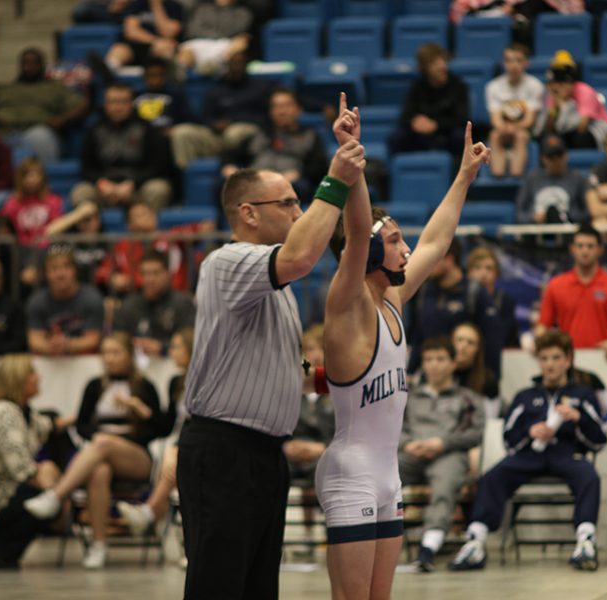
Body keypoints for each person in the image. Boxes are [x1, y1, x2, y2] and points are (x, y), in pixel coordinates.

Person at [175, 92, 366, 599]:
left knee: (258, 587)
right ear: (249, 213)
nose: (299, 210)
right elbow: (304, 256)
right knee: (219, 586)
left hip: (263, 454)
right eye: (287, 203)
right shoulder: (227, 261)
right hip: (223, 450)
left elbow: (292, 369)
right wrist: (337, 178)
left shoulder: (272, 285)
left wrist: (346, 381)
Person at [318, 109, 488, 598]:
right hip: (351, 475)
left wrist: (463, 178)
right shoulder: (346, 305)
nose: (407, 249)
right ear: (370, 255)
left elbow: (437, 241)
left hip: (387, 474)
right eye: (394, 242)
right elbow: (355, 235)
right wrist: (354, 160)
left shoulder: (391, 299)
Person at [449, 330, 607, 572]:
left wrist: (578, 419)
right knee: (493, 475)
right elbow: (509, 440)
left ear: (568, 360)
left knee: (589, 475)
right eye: (544, 358)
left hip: (567, 455)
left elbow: (599, 440)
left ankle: (586, 541)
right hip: (529, 456)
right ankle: (475, 542)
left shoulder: (582, 394)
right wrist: (530, 432)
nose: (550, 365)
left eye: (556, 358)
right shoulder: (525, 396)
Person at [23, 332, 165, 569]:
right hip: (101, 452)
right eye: (105, 353)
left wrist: (138, 411)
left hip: (136, 456)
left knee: (103, 443)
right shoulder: (94, 386)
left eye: (115, 353)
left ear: (129, 355)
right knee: (99, 470)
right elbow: (82, 426)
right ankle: (99, 545)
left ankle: (56, 496)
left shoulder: (144, 386)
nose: (109, 359)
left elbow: (160, 428)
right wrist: (101, 439)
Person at [0, 355, 71, 568]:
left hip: (3, 490)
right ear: (19, 379)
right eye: (32, 374)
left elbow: (48, 426)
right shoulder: (5, 414)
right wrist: (58, 490)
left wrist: (84, 416)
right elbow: (22, 471)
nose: (38, 378)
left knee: (50, 497)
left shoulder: (25, 412)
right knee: (46, 502)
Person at [399, 336, 485, 572]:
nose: (434, 365)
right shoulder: (408, 395)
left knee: (445, 484)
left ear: (453, 363)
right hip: (411, 453)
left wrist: (443, 442)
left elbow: (474, 433)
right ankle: (375, 538)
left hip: (449, 454)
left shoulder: (467, 398)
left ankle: (427, 549)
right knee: (380, 476)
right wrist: (407, 444)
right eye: (428, 359)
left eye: (440, 359)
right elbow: (392, 425)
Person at [117, 328, 194, 547]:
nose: (172, 351)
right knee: (171, 461)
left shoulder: (207, 378)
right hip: (180, 442)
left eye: (177, 347)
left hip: (195, 443)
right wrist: (142, 409)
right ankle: (153, 517)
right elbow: (167, 426)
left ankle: (150, 513)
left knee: (171, 462)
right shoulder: (176, 382)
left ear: (192, 349)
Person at [534, 223, 607, 361]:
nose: (585, 251)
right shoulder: (556, 285)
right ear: (572, 249)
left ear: (600, 250)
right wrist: (539, 344)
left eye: (590, 246)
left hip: (606, 359)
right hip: (568, 361)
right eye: (580, 246)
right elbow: (542, 326)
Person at [407, 237, 504, 377]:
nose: (426, 264)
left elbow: (491, 341)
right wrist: (410, 372)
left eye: (431, 259)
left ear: (449, 259)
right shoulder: (423, 291)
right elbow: (418, 337)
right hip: (429, 378)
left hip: (467, 379)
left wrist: (491, 380)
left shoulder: (474, 292)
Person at [71, 82, 173, 210]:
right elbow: (87, 168)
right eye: (113, 102)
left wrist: (133, 183)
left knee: (158, 189)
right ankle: (89, 230)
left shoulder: (147, 129)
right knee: (81, 192)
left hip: (137, 188)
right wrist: (102, 183)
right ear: (106, 105)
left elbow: (158, 167)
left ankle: (146, 228)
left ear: (131, 104)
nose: (118, 107)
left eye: (123, 102)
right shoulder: (95, 130)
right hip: (104, 188)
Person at [169, 50, 275, 168]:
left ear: (246, 66)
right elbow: (206, 118)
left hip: (247, 134)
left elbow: (266, 117)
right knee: (182, 132)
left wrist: (232, 122)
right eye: (233, 64)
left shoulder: (260, 88)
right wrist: (214, 124)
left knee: (233, 133)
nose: (236, 67)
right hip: (219, 137)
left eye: (239, 63)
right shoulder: (217, 90)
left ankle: (231, 164)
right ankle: (188, 176)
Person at [221, 87, 329, 203]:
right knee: (224, 183)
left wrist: (299, 173)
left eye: (287, 106)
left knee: (302, 186)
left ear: (298, 109)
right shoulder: (259, 135)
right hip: (257, 182)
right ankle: (217, 220)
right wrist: (229, 166)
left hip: (290, 183)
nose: (282, 111)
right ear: (271, 112)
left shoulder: (309, 136)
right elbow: (230, 153)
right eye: (276, 107)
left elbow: (320, 166)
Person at [0, 47, 87, 162]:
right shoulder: (1, 89)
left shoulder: (55, 88)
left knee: (40, 136)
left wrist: (62, 119)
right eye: (25, 63)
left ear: (42, 65)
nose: (29, 67)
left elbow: (82, 106)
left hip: (38, 131)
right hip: (4, 131)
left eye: (34, 63)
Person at [283, 323, 335, 548]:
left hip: (327, 451)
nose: (313, 355)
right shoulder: (293, 386)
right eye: (309, 349)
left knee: (323, 467)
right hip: (294, 450)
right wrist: (286, 445)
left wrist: (323, 448)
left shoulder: (338, 387)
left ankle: (329, 530)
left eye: (318, 348)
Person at [388, 43, 469, 156]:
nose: (442, 66)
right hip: (421, 134)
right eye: (435, 63)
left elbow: (462, 119)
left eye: (443, 61)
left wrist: (436, 125)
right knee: (396, 137)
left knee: (460, 137)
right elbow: (405, 116)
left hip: (447, 132)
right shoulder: (417, 87)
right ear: (425, 68)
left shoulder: (458, 86)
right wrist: (414, 122)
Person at [111, 249, 196, 356]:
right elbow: (117, 341)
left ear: (167, 274)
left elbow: (191, 342)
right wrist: (132, 346)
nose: (149, 279)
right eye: (144, 273)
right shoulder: (128, 306)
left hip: (173, 364)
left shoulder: (183, 304)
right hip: (135, 367)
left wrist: (163, 348)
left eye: (155, 273)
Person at [26, 246, 104, 356]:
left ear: (75, 270)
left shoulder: (91, 299)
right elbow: (34, 340)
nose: (60, 274)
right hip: (50, 360)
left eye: (66, 267)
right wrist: (51, 347)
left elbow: (94, 339)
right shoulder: (37, 301)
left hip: (84, 361)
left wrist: (68, 345)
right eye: (54, 269)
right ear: (45, 274)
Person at [485, 43, 544, 177]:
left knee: (520, 136)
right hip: (502, 129)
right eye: (509, 60)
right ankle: (497, 177)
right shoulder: (493, 86)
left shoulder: (535, 86)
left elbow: (529, 120)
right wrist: (505, 128)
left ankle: (516, 176)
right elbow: (495, 119)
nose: (514, 65)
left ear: (526, 63)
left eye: (518, 60)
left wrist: (514, 127)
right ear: (504, 63)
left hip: (524, 130)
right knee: (494, 135)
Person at [536, 51, 607, 151]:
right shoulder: (553, 95)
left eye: (563, 83)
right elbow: (549, 128)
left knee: (579, 139)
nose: (559, 87)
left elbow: (582, 127)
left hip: (597, 131)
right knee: (550, 141)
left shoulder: (585, 91)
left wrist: (564, 105)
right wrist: (555, 108)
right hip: (569, 131)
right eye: (556, 83)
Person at [516, 134, 588, 224]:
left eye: (559, 155)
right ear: (543, 158)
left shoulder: (577, 178)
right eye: (550, 156)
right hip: (537, 231)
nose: (555, 160)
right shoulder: (532, 178)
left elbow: (587, 212)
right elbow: (519, 213)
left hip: (567, 231)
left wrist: (568, 216)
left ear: (566, 155)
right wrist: (533, 217)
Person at [0, 157, 64, 253]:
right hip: (22, 250)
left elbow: (57, 225)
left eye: (36, 175)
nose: (32, 180)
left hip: (47, 249)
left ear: (42, 177)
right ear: (21, 179)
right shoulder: (13, 202)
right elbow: (4, 225)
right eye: (28, 176)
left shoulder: (53, 201)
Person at [175, 0, 253, 76]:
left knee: (241, 43)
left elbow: (238, 31)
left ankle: (214, 66)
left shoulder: (243, 13)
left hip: (226, 45)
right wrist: (217, 36)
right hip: (200, 42)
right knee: (185, 52)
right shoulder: (202, 9)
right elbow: (193, 30)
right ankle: (180, 82)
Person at [466, 246, 520, 349]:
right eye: (477, 267)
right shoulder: (462, 299)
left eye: (489, 268)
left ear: (497, 273)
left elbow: (509, 336)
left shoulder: (505, 301)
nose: (483, 273)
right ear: (469, 273)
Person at [104, 0, 184, 70]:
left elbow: (168, 33)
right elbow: (131, 31)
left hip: (161, 48)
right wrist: (155, 41)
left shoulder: (175, 7)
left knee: (164, 49)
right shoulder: (137, 5)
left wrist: (156, 5)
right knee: (119, 49)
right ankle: (109, 74)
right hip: (137, 45)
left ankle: (166, 81)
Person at [133, 57, 196, 135]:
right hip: (141, 134)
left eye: (158, 75)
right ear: (144, 76)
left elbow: (186, 119)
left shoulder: (175, 94)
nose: (154, 79)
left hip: (168, 133)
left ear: (164, 76)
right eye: (150, 75)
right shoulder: (136, 94)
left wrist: (174, 128)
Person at [452, 322, 501, 419]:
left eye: (471, 342)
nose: (463, 346)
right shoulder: (437, 374)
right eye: (459, 340)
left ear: (478, 349)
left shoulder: (488, 379)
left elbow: (490, 419)